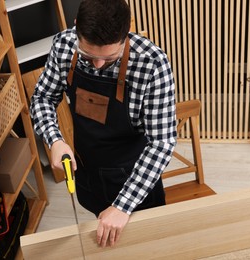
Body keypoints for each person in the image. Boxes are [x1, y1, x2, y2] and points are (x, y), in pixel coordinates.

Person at [30, 0, 177, 248]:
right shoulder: (64, 45)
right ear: (77, 27)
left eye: (109, 58)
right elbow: (42, 98)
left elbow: (161, 143)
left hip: (136, 180)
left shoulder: (152, 64)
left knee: (148, 248)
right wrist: (54, 140)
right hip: (88, 171)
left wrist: (122, 206)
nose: (97, 65)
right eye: (88, 56)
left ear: (126, 33)